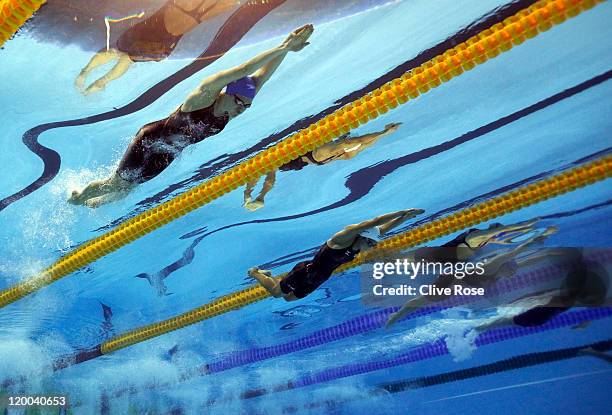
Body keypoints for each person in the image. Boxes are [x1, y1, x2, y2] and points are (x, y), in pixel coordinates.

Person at [69, 24, 314, 207]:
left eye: (246, 106)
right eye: (240, 103)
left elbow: (260, 77)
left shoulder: (231, 111)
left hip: (169, 153)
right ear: (228, 93)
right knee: (116, 183)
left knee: (128, 189)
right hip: (150, 140)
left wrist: (288, 50)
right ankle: (79, 197)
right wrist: (282, 46)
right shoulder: (203, 96)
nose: (242, 109)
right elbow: (245, 70)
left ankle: (95, 203)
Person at [385, 221, 558, 328]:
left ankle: (397, 309)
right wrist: (534, 236)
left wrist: (546, 254)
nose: (514, 273)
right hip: (454, 272)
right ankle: (396, 313)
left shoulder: (499, 269)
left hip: (459, 271)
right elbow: (516, 252)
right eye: (512, 269)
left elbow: (526, 260)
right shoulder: (494, 264)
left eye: (512, 271)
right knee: (421, 294)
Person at [248, 209, 425, 301]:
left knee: (289, 299)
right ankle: (256, 272)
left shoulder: (361, 243)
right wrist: (402, 211)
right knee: (278, 293)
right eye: (370, 243)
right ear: (363, 237)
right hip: (307, 271)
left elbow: (383, 229)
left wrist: (407, 217)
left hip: (320, 278)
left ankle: (275, 278)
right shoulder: (342, 239)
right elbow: (375, 222)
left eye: (372, 243)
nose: (371, 247)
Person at [75, 0, 239, 94]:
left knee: (120, 52)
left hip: (160, 28)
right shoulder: (223, 4)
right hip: (169, 35)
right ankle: (99, 79)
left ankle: (88, 73)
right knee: (126, 57)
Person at [243, 123, 403, 211]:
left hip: (312, 156)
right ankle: (256, 195)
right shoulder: (347, 154)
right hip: (310, 160)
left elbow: (356, 141)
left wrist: (384, 133)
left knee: (267, 166)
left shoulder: (342, 148)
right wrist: (383, 134)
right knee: (269, 167)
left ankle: (252, 194)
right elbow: (362, 143)